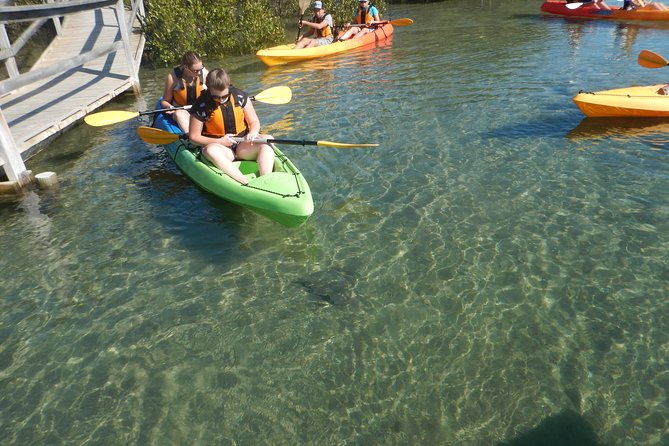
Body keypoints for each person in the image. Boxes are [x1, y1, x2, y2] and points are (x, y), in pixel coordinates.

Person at [188, 69, 275, 185]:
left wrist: (253, 132)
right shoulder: (201, 105)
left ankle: (267, 181)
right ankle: (244, 183)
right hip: (220, 148)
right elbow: (193, 137)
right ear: (209, 90)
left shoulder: (240, 96)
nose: (221, 100)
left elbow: (254, 122)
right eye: (216, 97)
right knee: (211, 150)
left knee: (268, 139)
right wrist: (220, 141)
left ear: (228, 86)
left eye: (224, 96)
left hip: (243, 145)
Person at [161, 51, 208, 132]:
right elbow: (165, 101)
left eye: (201, 69)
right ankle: (192, 138)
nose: (199, 72)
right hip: (182, 111)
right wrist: (169, 107)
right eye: (195, 70)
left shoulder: (204, 73)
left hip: (200, 110)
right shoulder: (173, 78)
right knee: (179, 114)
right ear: (186, 67)